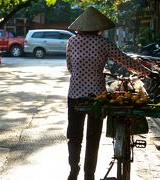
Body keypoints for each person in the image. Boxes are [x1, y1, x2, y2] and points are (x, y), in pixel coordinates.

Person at [66, 7, 153, 180]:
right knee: (93, 138)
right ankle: (89, 175)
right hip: (98, 96)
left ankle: (73, 169)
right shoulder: (104, 43)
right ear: (98, 27)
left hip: (75, 94)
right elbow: (124, 60)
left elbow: (70, 67)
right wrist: (145, 71)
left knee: (74, 136)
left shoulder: (72, 41)